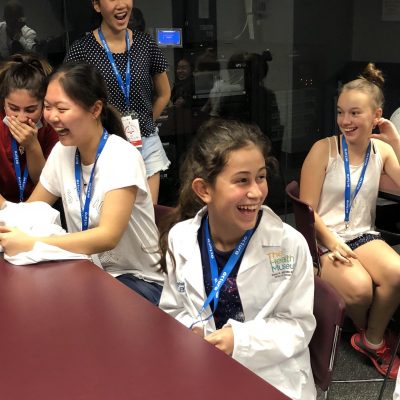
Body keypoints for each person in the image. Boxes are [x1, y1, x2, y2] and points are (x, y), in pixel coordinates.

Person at [159, 119, 317, 400]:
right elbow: (172, 308)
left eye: (261, 177)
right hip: (202, 366)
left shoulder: (288, 245)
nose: (256, 192)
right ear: (204, 190)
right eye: (242, 180)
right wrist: (192, 330)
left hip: (271, 374)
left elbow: (298, 326)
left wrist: (240, 340)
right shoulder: (181, 238)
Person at [0, 63, 163, 305]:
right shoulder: (62, 152)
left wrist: (33, 243)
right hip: (88, 272)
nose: (51, 117)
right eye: (47, 107)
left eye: (62, 108)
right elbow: (32, 213)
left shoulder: (121, 156)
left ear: (95, 109)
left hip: (138, 280)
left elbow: (108, 236)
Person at [300, 63, 400, 379]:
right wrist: (331, 242)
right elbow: (306, 211)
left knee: (397, 273)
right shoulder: (324, 150)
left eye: (355, 113)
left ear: (376, 115)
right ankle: (368, 323)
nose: (345, 121)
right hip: (324, 237)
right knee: (360, 290)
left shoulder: (382, 150)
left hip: (363, 234)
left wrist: (396, 142)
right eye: (341, 112)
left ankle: (371, 340)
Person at [64, 0, 171, 204]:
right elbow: (69, 99)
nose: (121, 4)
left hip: (145, 143)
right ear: (97, 6)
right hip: (104, 145)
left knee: (148, 216)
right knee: (112, 216)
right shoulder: (82, 49)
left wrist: (146, 122)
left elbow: (164, 93)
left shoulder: (145, 43)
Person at [0, 52, 58, 203]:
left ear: (43, 105)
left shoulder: (52, 126)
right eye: (13, 108)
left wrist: (32, 146)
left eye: (30, 110)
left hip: (40, 206)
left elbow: (46, 183)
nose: (21, 118)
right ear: (3, 103)